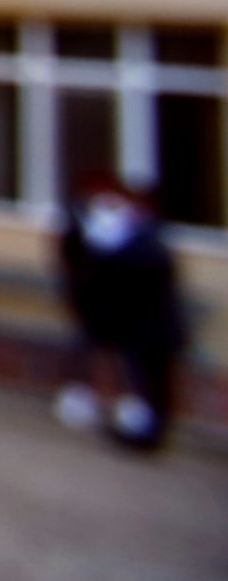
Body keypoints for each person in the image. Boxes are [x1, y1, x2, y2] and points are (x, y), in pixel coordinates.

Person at [51, 177, 185, 453]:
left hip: (150, 327)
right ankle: (143, 432)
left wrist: (106, 251)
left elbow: (134, 276)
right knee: (143, 376)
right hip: (129, 323)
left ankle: (148, 433)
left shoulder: (146, 242)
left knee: (152, 381)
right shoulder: (133, 238)